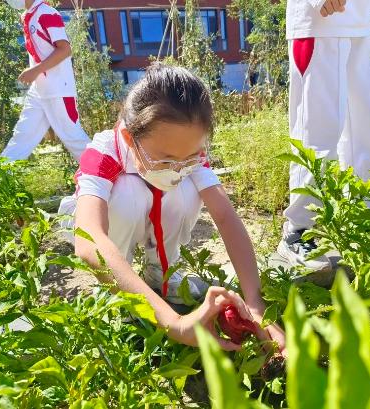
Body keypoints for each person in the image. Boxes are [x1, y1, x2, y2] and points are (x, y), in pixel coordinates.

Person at [58, 64, 286, 353]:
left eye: (190, 157)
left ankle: (162, 274)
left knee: (186, 190)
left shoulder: (186, 153)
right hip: (109, 224)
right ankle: (115, 289)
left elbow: (226, 216)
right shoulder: (104, 153)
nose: (178, 169)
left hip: (151, 210)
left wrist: (255, 304)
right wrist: (174, 323)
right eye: (165, 160)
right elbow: (90, 242)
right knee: (128, 195)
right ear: (131, 139)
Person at [278, 0, 370, 270]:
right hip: (319, 20)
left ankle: (363, 218)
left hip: (361, 21)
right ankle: (299, 229)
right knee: (316, 132)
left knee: (367, 129)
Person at [1, 0, 90, 161]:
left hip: (58, 89)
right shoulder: (29, 16)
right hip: (39, 90)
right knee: (21, 137)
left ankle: (113, 177)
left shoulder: (46, 13)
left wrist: (35, 70)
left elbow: (65, 49)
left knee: (74, 139)